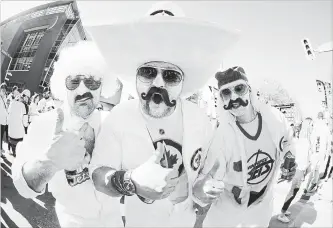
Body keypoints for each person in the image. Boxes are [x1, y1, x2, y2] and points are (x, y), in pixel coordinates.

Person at [87, 2, 238, 227]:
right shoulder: (119, 117)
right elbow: (98, 175)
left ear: (183, 83)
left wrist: (202, 190)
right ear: (135, 78)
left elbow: (204, 177)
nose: (158, 83)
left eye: (170, 76)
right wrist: (130, 181)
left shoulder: (200, 120)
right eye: (148, 72)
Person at [12, 41, 122, 227]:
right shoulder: (45, 123)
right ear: (63, 85)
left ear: (103, 86)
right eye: (73, 81)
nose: (82, 90)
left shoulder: (113, 122)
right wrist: (49, 162)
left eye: (92, 81)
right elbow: (22, 186)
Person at [193, 66, 297, 227]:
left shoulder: (274, 119)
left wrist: (289, 157)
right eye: (226, 93)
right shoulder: (222, 136)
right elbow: (207, 178)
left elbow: (288, 142)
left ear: (249, 89)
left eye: (239, 88)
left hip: (262, 207)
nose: (234, 97)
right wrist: (202, 188)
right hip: (227, 212)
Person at [277, 117, 314, 223]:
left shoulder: (302, 141)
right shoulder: (302, 141)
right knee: (293, 191)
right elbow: (304, 157)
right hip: (299, 169)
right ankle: (282, 213)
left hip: (300, 169)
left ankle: (284, 209)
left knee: (293, 191)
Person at [305, 111, 330, 194]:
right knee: (315, 168)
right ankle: (311, 184)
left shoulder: (319, 126)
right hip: (318, 151)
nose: (320, 118)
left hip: (318, 151)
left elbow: (327, 140)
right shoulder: (321, 126)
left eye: (320, 117)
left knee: (314, 168)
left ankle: (310, 185)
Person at [7, 89, 29, 157]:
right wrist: (27, 125)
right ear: (25, 97)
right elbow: (25, 122)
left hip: (11, 131)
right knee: (18, 149)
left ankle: (12, 152)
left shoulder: (12, 103)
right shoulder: (23, 106)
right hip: (18, 133)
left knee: (13, 147)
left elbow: (8, 117)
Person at [0, 83, 8, 156]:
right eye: (2, 89)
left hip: (3, 120)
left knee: (1, 136)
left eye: (5, 89)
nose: (3, 91)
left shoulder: (5, 97)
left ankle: (0, 150)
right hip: (0, 120)